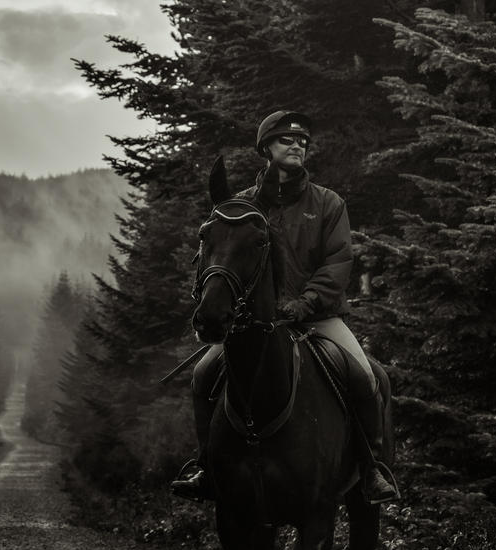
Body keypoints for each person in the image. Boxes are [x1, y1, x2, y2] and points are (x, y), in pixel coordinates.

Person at [170, 110, 400, 505]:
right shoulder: (241, 205)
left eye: (302, 143)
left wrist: (304, 303)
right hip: (255, 322)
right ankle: (207, 466)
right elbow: (219, 256)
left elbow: (338, 262)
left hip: (318, 317)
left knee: (366, 375)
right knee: (204, 375)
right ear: (266, 149)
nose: (297, 146)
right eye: (286, 141)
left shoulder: (329, 203)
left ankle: (371, 468)